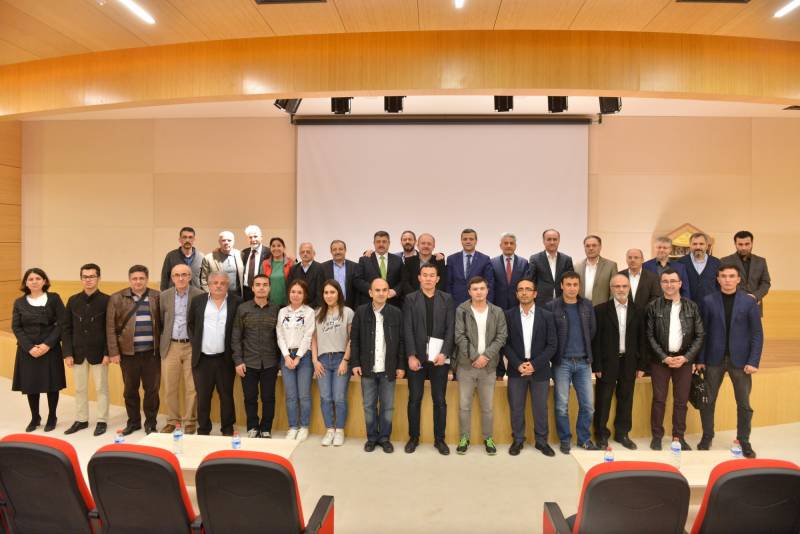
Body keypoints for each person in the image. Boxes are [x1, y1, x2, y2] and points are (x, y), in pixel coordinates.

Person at [697, 265, 763, 458]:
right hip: (713, 360)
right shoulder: (708, 301)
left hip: (741, 362)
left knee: (744, 403)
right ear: (718, 279)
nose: (727, 279)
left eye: (731, 276)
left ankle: (744, 440)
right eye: (723, 276)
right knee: (708, 401)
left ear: (738, 279)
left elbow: (757, 334)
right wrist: (700, 359)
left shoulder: (749, 302)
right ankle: (707, 436)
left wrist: (754, 361)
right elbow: (702, 333)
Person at [646, 269, 704, 451]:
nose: (669, 285)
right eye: (665, 281)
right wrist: (664, 357)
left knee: (681, 401)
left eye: (673, 281)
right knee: (659, 400)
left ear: (680, 284)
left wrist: (686, 357)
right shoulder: (653, 307)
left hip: (683, 361)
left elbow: (700, 335)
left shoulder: (692, 307)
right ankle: (657, 436)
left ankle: (679, 436)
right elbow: (649, 336)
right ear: (661, 284)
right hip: (660, 361)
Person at [403, 264, 455, 456]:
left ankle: (439, 439)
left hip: (439, 358)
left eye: (432, 275)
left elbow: (451, 328)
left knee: (439, 400)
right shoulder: (410, 299)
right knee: (414, 399)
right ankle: (413, 438)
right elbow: (407, 328)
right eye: (424, 275)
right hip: (417, 358)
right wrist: (411, 355)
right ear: (419, 278)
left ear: (437, 279)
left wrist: (445, 353)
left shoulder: (447, 299)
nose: (428, 278)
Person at [503, 278, 557, 457]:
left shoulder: (547, 315)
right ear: (516, 294)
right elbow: (505, 343)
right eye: (520, 289)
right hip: (516, 369)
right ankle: (518, 440)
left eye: (528, 289)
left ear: (535, 293)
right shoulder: (508, 315)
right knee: (516, 407)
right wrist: (518, 364)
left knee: (540, 408)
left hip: (539, 369)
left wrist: (534, 364)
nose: (524, 292)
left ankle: (542, 441)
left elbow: (552, 345)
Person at [350, 278, 406, 453]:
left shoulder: (396, 313)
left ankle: (384, 438)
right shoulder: (361, 312)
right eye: (377, 290)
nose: (381, 293)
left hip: (388, 368)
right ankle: (372, 438)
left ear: (388, 293)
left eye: (384, 290)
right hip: (368, 368)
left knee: (388, 406)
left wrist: (401, 366)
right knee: (369, 406)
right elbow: (355, 340)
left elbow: (402, 342)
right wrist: (355, 363)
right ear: (370, 293)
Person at [453, 276, 507, 455]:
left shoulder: (497, 311)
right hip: (466, 366)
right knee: (464, 406)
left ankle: (488, 438)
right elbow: (459, 336)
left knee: (487, 407)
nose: (479, 292)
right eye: (475, 289)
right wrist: (475, 357)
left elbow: (501, 336)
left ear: (487, 290)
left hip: (489, 367)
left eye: (482, 288)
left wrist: (486, 357)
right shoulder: (462, 310)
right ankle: (464, 438)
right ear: (469, 291)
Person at [592, 274, 647, 450]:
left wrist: (642, 365)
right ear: (611, 288)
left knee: (626, 399)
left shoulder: (639, 310)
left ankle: (622, 433)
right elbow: (596, 340)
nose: (621, 289)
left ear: (629, 288)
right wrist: (596, 365)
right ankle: (601, 434)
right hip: (607, 362)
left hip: (629, 362)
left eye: (624, 286)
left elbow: (642, 339)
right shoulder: (600, 310)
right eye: (617, 286)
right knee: (603, 399)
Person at [545, 271, 598, 454]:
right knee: (562, 405)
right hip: (562, 363)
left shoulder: (587, 305)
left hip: (583, 362)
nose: (572, 288)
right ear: (561, 286)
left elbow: (592, 331)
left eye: (575, 285)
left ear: (579, 286)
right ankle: (565, 439)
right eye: (568, 284)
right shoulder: (552, 306)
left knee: (588, 405)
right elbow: (549, 335)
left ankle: (583, 439)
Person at [106, 264, 161, 435]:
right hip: (128, 354)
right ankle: (134, 422)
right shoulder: (117, 298)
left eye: (141, 278)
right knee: (130, 390)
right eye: (134, 278)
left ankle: (151, 423)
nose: (138, 282)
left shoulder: (157, 296)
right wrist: (114, 352)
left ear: (147, 279)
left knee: (152, 391)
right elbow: (110, 327)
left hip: (152, 353)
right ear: (129, 280)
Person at [12, 268, 66, 433]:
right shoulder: (19, 302)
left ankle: (52, 416)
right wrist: (29, 347)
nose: (34, 281)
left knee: (52, 384)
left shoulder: (54, 298)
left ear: (44, 281)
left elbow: (62, 323)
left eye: (37, 278)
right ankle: (35, 417)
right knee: (31, 384)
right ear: (26, 283)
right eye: (30, 279)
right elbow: (16, 327)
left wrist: (47, 345)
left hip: (50, 348)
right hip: (28, 350)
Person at [188, 272, 241, 436]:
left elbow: (239, 329)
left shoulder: (236, 302)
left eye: (222, 283)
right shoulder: (198, 301)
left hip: (225, 358)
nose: (218, 286)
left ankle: (227, 428)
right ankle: (204, 429)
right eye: (215, 283)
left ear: (227, 285)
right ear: (209, 285)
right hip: (202, 359)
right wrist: (196, 343)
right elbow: (190, 324)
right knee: (203, 397)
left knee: (226, 396)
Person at [62, 263, 110, 436]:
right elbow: (66, 328)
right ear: (81, 278)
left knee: (101, 388)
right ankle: (81, 420)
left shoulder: (107, 300)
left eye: (92, 276)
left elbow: (110, 329)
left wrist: (107, 353)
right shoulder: (73, 300)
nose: (88, 280)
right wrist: (67, 353)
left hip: (99, 353)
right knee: (80, 389)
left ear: (99, 278)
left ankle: (102, 420)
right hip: (78, 352)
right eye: (85, 277)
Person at [231, 274, 281, 438]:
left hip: (270, 362)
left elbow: (280, 337)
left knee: (268, 398)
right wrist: (238, 361)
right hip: (248, 362)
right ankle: (252, 427)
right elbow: (236, 336)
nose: (261, 288)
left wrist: (279, 362)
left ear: (269, 288)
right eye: (258, 284)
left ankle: (266, 428)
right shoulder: (243, 309)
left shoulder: (276, 310)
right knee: (250, 398)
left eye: (265, 285)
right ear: (252, 288)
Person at [159, 263, 204, 434]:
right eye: (177, 275)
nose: (180, 278)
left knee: (192, 387)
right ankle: (172, 420)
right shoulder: (164, 296)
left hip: (191, 346)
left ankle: (190, 421)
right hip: (171, 346)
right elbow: (161, 321)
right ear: (172, 278)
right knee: (170, 387)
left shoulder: (199, 295)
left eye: (184, 274)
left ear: (190, 277)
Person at [312, 280, 353, 446]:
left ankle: (339, 430)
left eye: (332, 292)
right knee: (325, 397)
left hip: (340, 359)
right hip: (322, 360)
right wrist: (315, 361)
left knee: (339, 397)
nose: (329, 296)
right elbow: (313, 339)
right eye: (326, 292)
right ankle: (329, 430)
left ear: (338, 294)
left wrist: (345, 360)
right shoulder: (317, 313)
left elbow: (352, 339)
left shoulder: (348, 312)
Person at [276, 279, 316, 441]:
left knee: (304, 395)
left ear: (304, 295)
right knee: (291, 395)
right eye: (293, 292)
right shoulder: (282, 312)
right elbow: (279, 335)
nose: (296, 295)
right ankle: (293, 426)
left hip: (304, 357)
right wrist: (286, 356)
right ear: (289, 294)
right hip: (286, 356)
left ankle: (304, 426)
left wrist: (298, 357)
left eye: (299, 292)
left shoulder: (309, 312)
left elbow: (308, 335)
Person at [720, 230, 771, 314]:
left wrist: (755, 296)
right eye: (740, 244)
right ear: (735, 244)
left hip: (755, 306)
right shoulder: (724, 261)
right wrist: (744, 297)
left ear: (752, 243)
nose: (743, 247)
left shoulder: (761, 261)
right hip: (732, 306)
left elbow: (766, 283)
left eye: (747, 244)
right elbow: (721, 282)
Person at [354, 230, 404, 307]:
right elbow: (357, 280)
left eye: (384, 241)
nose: (381, 244)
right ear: (374, 243)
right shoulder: (364, 260)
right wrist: (373, 290)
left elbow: (403, 280)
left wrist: (395, 291)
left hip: (392, 303)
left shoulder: (398, 260)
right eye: (378, 241)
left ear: (389, 243)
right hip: (369, 303)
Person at [447, 228, 494, 305]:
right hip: (456, 303)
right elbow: (448, 284)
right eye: (465, 239)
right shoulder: (451, 259)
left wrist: (487, 304)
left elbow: (489, 284)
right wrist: (449, 303)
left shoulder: (485, 259)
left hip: (478, 303)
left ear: (476, 241)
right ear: (461, 241)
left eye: (471, 239)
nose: (468, 241)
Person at [529, 228, 574, 306]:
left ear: (559, 241)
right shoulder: (535, 259)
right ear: (543, 241)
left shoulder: (567, 259)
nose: (552, 242)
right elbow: (531, 281)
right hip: (541, 303)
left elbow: (570, 281)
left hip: (562, 302)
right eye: (549, 239)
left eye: (555, 239)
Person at [491, 232, 532, 311]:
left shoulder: (524, 263)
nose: (509, 246)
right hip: (498, 305)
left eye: (511, 243)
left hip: (518, 304)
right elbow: (491, 286)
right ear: (500, 246)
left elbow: (525, 284)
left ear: (515, 246)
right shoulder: (493, 263)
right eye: (506, 243)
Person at [678, 232, 721, 306]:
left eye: (701, 244)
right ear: (690, 245)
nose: (698, 247)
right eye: (694, 244)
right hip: (687, 306)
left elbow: (720, 285)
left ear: (707, 246)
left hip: (711, 306)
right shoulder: (681, 262)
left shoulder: (716, 262)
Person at [574, 235, 618, 305]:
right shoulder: (576, 266)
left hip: (602, 308)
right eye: (587, 246)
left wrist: (609, 308)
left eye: (594, 245)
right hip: (581, 307)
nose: (591, 248)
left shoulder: (611, 266)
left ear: (600, 247)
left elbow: (614, 290)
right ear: (584, 248)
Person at [200, 230, 244, 296]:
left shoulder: (241, 255)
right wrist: (211, 295)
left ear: (233, 241)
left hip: (237, 295)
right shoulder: (209, 258)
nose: (226, 243)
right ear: (219, 242)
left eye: (229, 240)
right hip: (217, 296)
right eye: (223, 240)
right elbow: (204, 280)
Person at [160, 226, 204, 290]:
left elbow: (204, 280)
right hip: (175, 294)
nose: (187, 240)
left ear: (194, 239)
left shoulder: (201, 257)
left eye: (190, 237)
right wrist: (164, 294)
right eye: (184, 237)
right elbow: (164, 278)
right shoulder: (171, 256)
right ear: (180, 239)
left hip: (196, 295)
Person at [288, 242, 326, 308]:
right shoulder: (293, 269)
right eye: (302, 252)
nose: (305, 254)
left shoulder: (320, 268)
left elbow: (320, 292)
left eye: (308, 252)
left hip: (315, 308)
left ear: (313, 253)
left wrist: (307, 308)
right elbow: (289, 289)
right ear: (299, 254)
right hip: (296, 307)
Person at [322, 239, 358, 309]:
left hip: (350, 306)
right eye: (334, 249)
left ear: (345, 250)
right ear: (331, 251)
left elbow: (357, 290)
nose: (337, 252)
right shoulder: (322, 267)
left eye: (340, 249)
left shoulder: (355, 267)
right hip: (329, 307)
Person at [241, 224, 270, 301]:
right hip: (246, 291)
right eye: (250, 237)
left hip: (261, 290)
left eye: (255, 236)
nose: (253, 239)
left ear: (261, 237)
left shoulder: (269, 252)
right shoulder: (244, 252)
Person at [262, 237, 294, 307]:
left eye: (279, 245)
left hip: (287, 302)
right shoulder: (265, 264)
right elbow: (261, 282)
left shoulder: (291, 263)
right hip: (269, 303)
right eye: (273, 246)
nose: (276, 248)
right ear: (270, 248)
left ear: (284, 248)